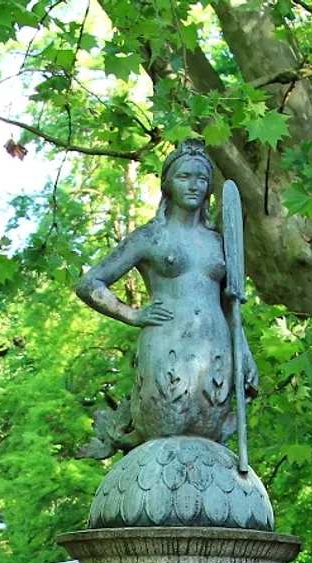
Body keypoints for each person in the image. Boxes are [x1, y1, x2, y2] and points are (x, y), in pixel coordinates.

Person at [75, 139, 257, 458]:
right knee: (166, 436)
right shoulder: (151, 237)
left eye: (202, 179)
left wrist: (244, 352)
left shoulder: (218, 243)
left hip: (214, 351)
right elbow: (90, 283)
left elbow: (232, 304)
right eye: (185, 177)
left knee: (208, 442)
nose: (194, 186)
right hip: (167, 345)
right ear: (168, 184)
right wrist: (132, 314)